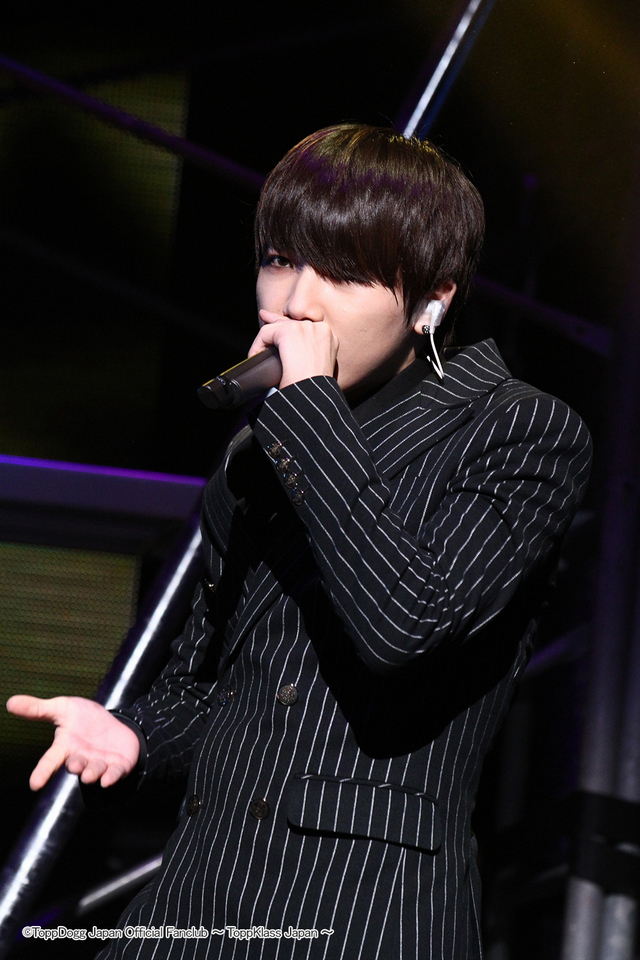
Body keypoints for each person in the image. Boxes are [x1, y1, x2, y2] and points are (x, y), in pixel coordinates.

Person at [7, 124, 592, 959]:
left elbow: (408, 624)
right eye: (281, 260)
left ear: (432, 301)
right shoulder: (261, 453)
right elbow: (215, 686)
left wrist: (309, 411)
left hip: (362, 914)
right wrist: (135, 735)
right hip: (201, 903)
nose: (297, 300)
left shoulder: (519, 430)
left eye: (342, 272)